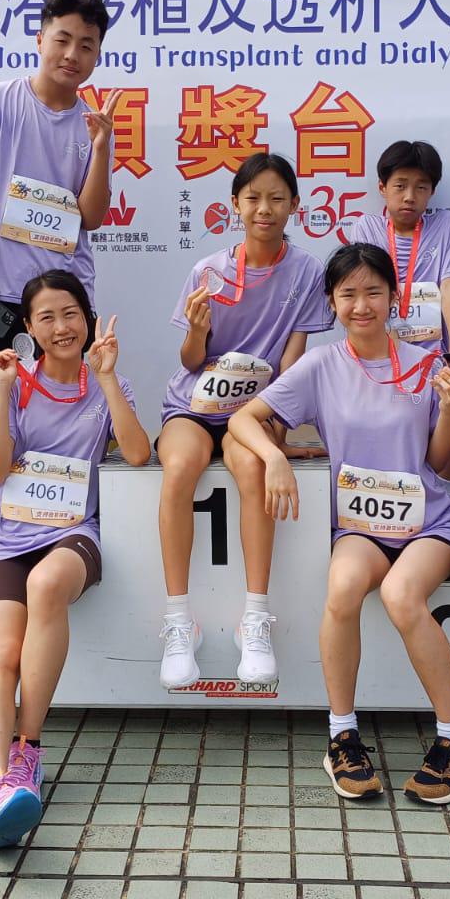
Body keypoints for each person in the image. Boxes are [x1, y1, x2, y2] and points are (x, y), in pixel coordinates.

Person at [230, 243, 450, 804]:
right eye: (348, 294)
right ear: (332, 301)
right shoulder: (321, 365)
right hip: (359, 529)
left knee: (400, 595)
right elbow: (245, 417)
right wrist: (273, 456)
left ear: (395, 298)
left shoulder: (427, 365)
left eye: (373, 292)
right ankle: (341, 736)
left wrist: (448, 409)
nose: (361, 305)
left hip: (428, 525)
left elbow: (444, 467)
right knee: (342, 588)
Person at [0, 270, 150, 849]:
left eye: (70, 313)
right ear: (28, 327)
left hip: (74, 536)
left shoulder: (106, 381)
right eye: (45, 317)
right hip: (4, 541)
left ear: (88, 320)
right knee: (0, 655)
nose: (61, 327)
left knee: (47, 584)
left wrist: (109, 377)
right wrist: (1, 391)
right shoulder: (13, 382)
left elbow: (139, 453)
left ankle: (27, 748)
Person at [0, 0, 118, 563]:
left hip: (66, 294)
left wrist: (103, 145)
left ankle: (69, 515)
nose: (72, 54)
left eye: (86, 45)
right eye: (62, 39)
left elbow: (91, 216)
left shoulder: (91, 123)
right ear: (40, 39)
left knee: (65, 403)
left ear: (97, 55)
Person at [155, 152, 333, 690]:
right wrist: (196, 331)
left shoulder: (308, 272)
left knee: (251, 469)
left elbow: (292, 365)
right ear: (235, 204)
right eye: (253, 198)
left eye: (277, 198)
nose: (264, 209)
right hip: (193, 407)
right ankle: (179, 622)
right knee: (180, 468)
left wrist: (277, 428)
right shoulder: (207, 271)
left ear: (294, 206)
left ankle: (254, 619)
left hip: (255, 412)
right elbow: (191, 361)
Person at [344, 140, 450, 353]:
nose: (410, 197)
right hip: (382, 351)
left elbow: (449, 287)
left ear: (432, 191)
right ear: (382, 188)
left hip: (433, 354)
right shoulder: (367, 228)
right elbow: (364, 290)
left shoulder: (446, 225)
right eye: (400, 186)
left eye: (421, 187)